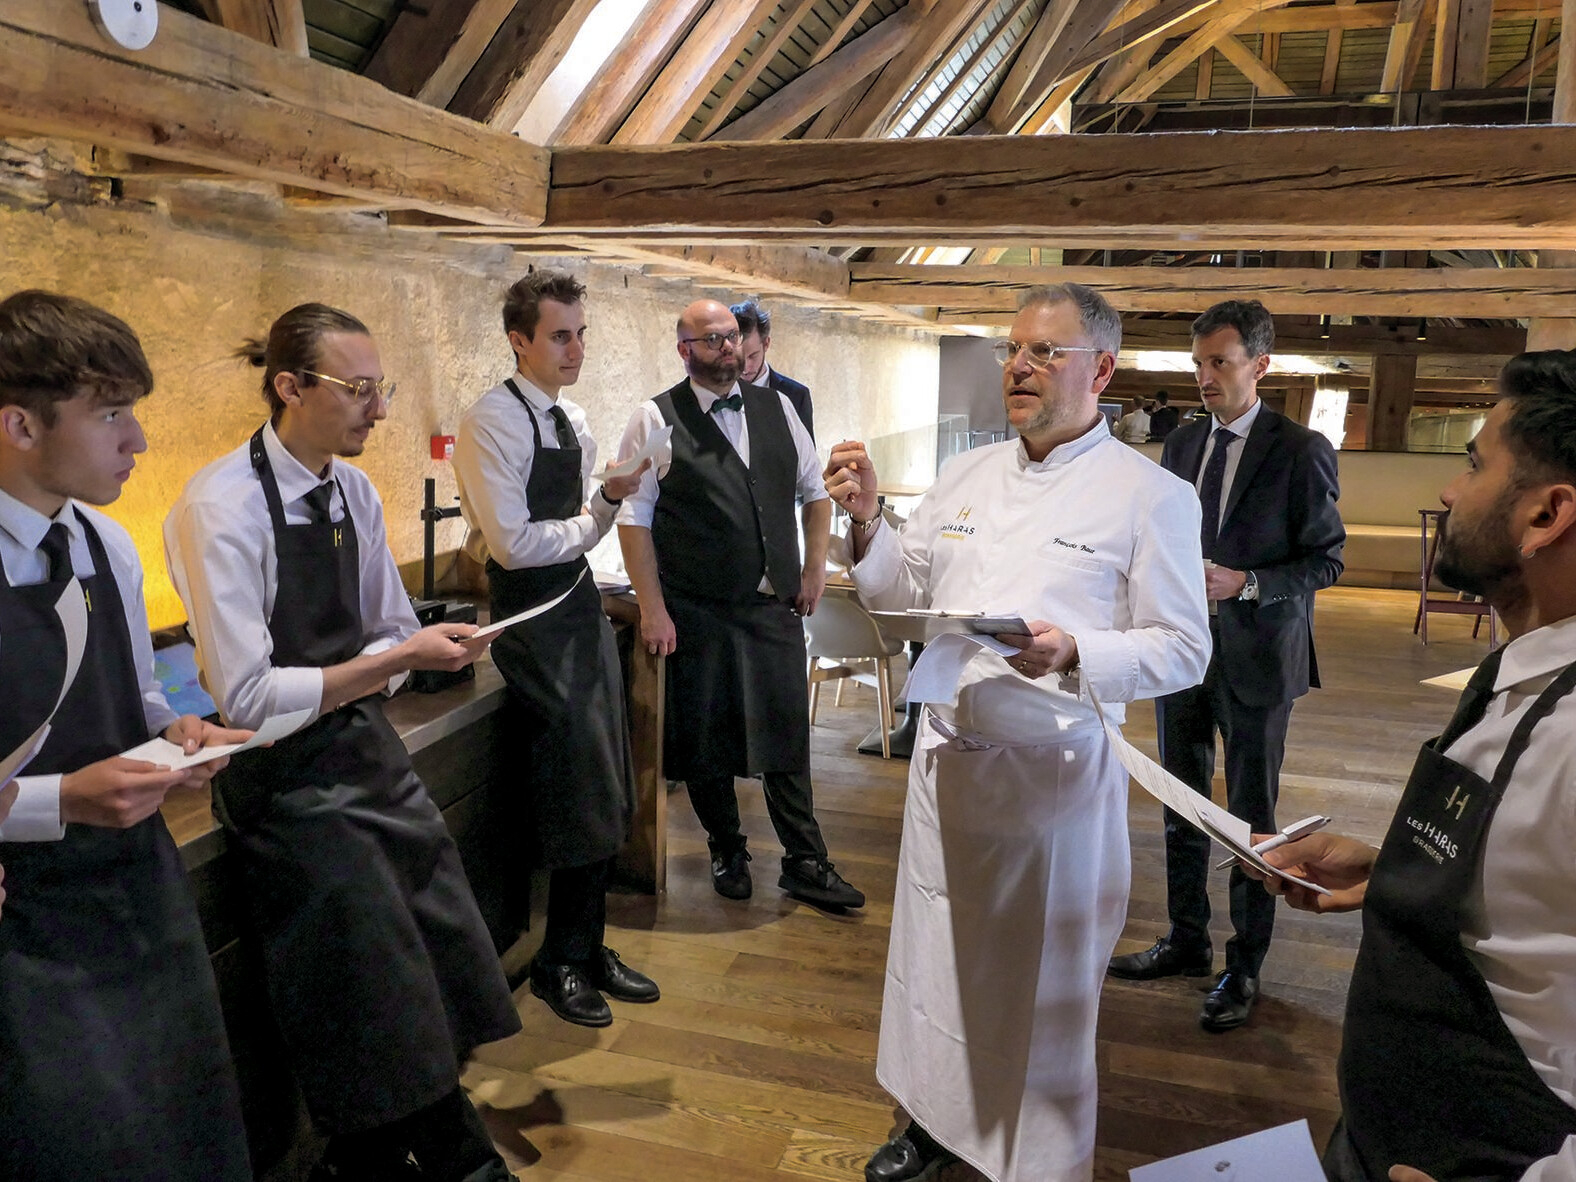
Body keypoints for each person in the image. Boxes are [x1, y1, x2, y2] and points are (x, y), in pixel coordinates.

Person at [826, 283, 1211, 1182]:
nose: (1019, 367)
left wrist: (1076, 650)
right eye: (1014, 349)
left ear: (1101, 370)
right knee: (935, 960)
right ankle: (930, 1121)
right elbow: (902, 595)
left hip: (1051, 782)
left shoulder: (1151, 495)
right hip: (946, 767)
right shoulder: (966, 474)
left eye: (1046, 352)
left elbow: (1185, 648)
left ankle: (1032, 1157)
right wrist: (869, 521)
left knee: (1037, 986)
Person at [164, 303, 521, 1182]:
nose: (380, 410)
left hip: (365, 752)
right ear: (290, 388)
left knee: (430, 946)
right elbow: (249, 700)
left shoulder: (353, 492)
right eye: (359, 390)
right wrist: (393, 660)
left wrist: (402, 655)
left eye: (379, 388)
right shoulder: (220, 506)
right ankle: (465, 1161)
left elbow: (390, 628)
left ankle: (365, 1160)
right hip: (282, 783)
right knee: (375, 976)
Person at [1247, 350, 1576, 1181]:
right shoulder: (1521, 671)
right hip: (1384, 1132)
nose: (1450, 492)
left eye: (1474, 465)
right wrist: (1397, 873)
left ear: (1546, 514)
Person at [0, 290, 252, 1181]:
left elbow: (132, 686)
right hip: (24, 914)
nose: (137, 439)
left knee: (185, 1117)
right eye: (110, 414)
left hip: (140, 879)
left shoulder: (105, 542)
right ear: (20, 426)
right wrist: (62, 799)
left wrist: (172, 728)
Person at [1108, 299, 1344, 1033]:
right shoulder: (1181, 444)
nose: (1205, 377)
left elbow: (1327, 560)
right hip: (1179, 652)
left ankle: (1245, 963)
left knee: (1250, 818)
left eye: (1219, 362)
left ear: (1260, 365)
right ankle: (1187, 938)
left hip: (1258, 658)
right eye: (1198, 364)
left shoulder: (1301, 449)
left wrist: (1245, 582)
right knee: (1180, 803)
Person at [453, 270, 659, 1029]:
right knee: (575, 782)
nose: (576, 349)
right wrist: (599, 510)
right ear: (520, 340)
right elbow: (510, 546)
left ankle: (588, 944)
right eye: (560, 335)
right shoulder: (490, 423)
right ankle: (556, 962)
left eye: (581, 334)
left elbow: (573, 531)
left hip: (577, 607)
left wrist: (601, 506)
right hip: (530, 618)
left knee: (606, 777)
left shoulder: (573, 420)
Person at [616, 298, 863, 911]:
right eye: (712, 339)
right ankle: (726, 847)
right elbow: (634, 518)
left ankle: (806, 860)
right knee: (707, 739)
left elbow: (814, 492)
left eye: (731, 336)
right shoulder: (655, 418)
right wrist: (652, 609)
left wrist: (812, 568)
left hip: (772, 604)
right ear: (684, 349)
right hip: (697, 608)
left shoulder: (779, 407)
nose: (727, 348)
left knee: (786, 734)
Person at [732, 298, 813, 437]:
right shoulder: (717, 391)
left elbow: (807, 450)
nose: (745, 367)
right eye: (738, 357)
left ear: (766, 344)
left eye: (752, 356)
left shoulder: (796, 395)